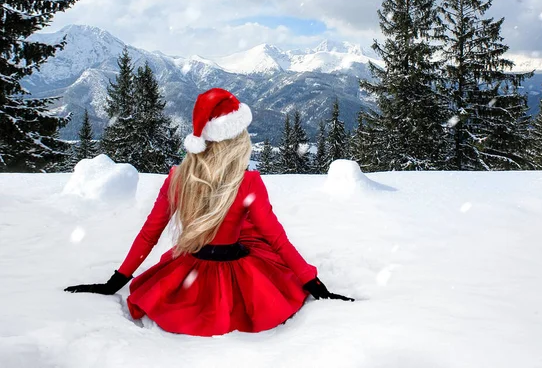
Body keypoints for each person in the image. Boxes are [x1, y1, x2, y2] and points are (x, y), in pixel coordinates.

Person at [65, 88, 353, 337]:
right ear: (234, 138)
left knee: (247, 232)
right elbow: (277, 239)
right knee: (258, 239)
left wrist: (116, 281)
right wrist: (312, 282)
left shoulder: (177, 177)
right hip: (237, 274)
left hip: (192, 270)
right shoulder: (247, 181)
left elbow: (149, 233)